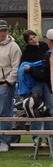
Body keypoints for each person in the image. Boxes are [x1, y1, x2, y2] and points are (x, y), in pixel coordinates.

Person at [0, 19, 23, 152]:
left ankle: (4, 141)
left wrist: (8, 82)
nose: (2, 33)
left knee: (5, 112)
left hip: (5, 84)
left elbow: (16, 67)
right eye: (0, 31)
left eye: (4, 31)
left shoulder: (13, 46)